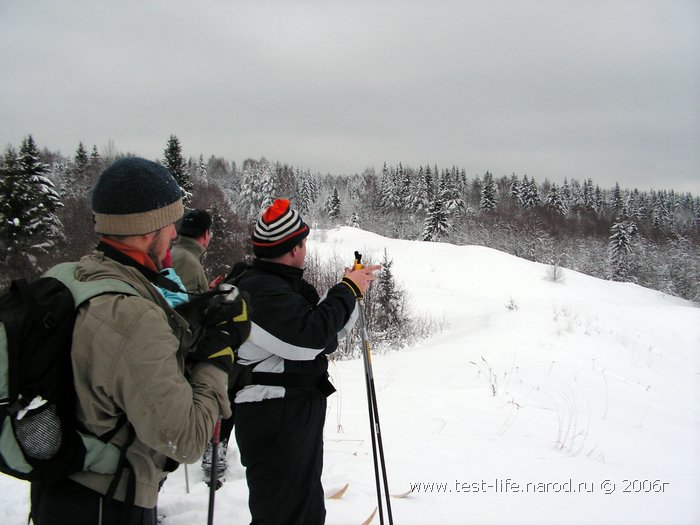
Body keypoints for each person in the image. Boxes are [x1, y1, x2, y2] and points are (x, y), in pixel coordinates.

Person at [29, 157, 250, 525]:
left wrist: (196, 315)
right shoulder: (132, 316)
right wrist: (219, 353)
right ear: (149, 229)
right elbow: (187, 439)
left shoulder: (71, 277)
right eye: (170, 226)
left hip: (57, 488)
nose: (174, 238)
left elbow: (114, 363)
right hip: (108, 502)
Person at [234, 198, 380, 525]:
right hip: (274, 415)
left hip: (290, 412)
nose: (305, 248)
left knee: (302, 508)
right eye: (303, 242)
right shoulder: (260, 291)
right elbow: (310, 336)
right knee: (284, 513)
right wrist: (346, 290)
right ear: (295, 248)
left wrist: (350, 291)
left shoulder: (278, 286)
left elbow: (322, 338)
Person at [171, 209, 217, 294]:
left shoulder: (178, 253)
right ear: (206, 234)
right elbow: (177, 303)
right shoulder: (185, 262)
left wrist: (208, 290)